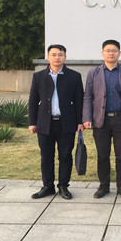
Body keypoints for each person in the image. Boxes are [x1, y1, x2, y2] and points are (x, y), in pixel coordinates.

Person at [83, 39, 121, 199]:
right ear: (102, 53)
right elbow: (88, 96)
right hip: (101, 120)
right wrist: (87, 117)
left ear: (119, 53)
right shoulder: (93, 73)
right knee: (102, 155)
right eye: (108, 50)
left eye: (114, 50)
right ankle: (104, 186)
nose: (111, 53)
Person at [28, 44, 84, 200]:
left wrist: (80, 122)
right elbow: (33, 101)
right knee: (46, 156)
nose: (57, 57)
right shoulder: (38, 76)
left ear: (65, 57)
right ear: (48, 57)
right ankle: (48, 186)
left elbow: (79, 101)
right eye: (53, 54)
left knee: (65, 156)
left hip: (66, 122)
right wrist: (32, 122)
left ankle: (63, 186)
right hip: (44, 123)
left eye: (60, 54)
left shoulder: (74, 76)